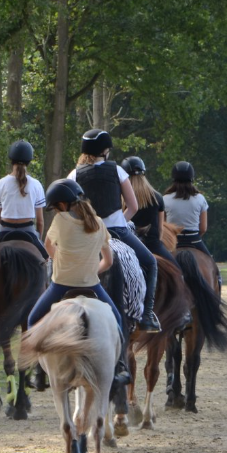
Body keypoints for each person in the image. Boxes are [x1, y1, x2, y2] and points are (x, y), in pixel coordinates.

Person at [27, 179, 130, 387]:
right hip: (92, 285)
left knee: (32, 319)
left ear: (64, 205)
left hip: (61, 286)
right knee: (118, 321)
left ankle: (37, 371)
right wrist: (92, 270)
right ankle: (119, 365)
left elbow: (48, 247)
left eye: (56, 208)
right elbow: (108, 261)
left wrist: (61, 262)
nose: (56, 212)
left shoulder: (60, 221)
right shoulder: (99, 223)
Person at [68, 129, 160, 332]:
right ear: (105, 150)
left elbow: (71, 212)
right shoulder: (117, 171)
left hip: (87, 235)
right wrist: (121, 221)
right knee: (151, 263)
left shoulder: (74, 175)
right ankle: (146, 316)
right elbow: (133, 207)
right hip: (118, 231)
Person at [0, 140, 48, 273]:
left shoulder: (1, 183)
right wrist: (38, 240)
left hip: (5, 230)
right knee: (48, 264)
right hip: (28, 231)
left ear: (11, 160)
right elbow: (40, 222)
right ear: (29, 161)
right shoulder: (36, 185)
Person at [121, 156, 174, 261]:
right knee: (178, 273)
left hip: (126, 245)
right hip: (152, 245)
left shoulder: (120, 197)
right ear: (143, 174)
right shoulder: (157, 197)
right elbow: (160, 229)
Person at [162, 161, 211, 256]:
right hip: (194, 240)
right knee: (213, 267)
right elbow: (203, 228)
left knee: (157, 265)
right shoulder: (200, 198)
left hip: (173, 241)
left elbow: (163, 227)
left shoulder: (165, 199)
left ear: (173, 178)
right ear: (191, 178)